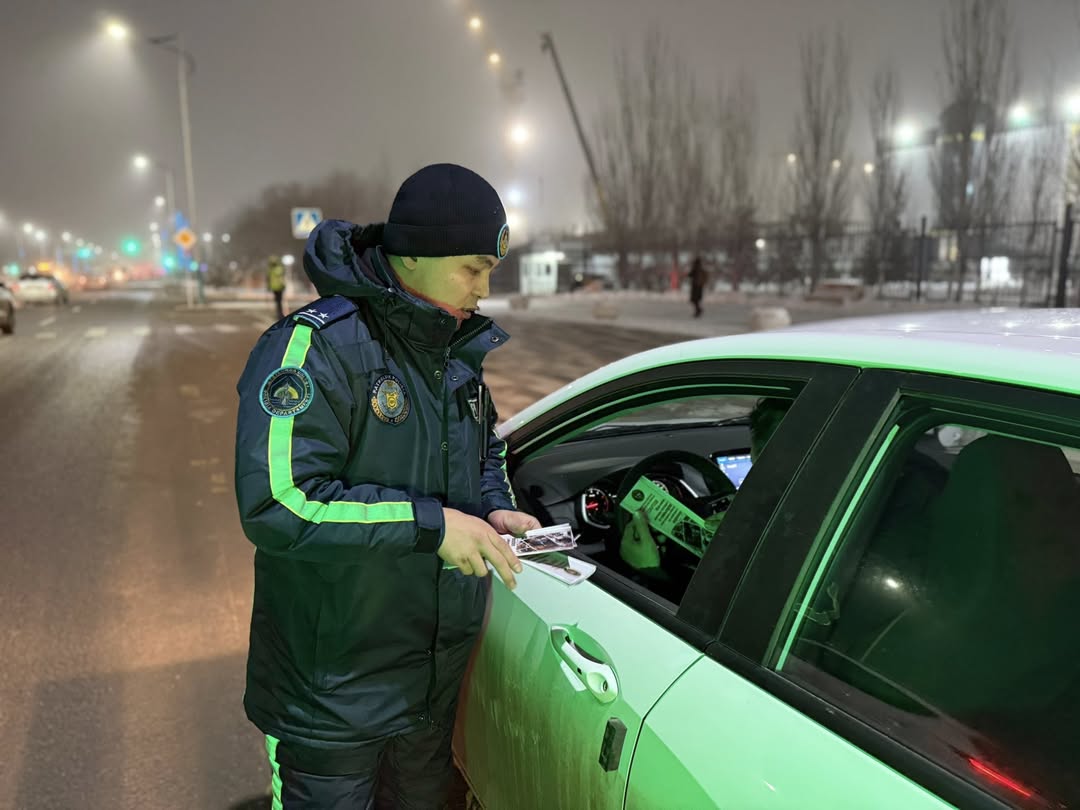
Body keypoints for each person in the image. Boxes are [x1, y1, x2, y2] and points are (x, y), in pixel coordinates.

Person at [234, 163, 541, 808]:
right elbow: (279, 503)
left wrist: (497, 509)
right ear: (417, 256)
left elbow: (483, 451)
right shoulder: (313, 349)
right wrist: (431, 528)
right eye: (473, 268)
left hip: (427, 689)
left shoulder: (451, 351)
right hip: (333, 697)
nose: (485, 289)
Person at [267, 255, 287, 319]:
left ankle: (280, 314)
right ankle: (279, 314)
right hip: (277, 287)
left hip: (278, 287)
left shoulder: (272, 269)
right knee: (278, 302)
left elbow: (270, 279)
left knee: (279, 302)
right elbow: (269, 279)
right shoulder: (277, 269)